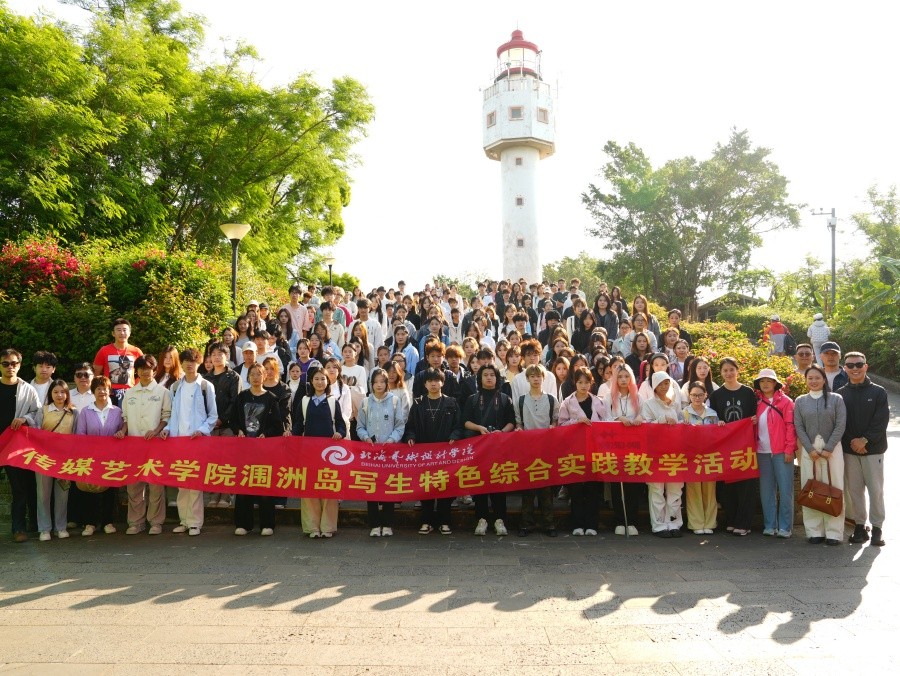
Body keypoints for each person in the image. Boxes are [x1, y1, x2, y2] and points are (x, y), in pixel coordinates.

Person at [159, 348, 218, 536]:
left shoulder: (206, 386)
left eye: (193, 361)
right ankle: (184, 521)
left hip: (197, 441)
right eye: (185, 361)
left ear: (198, 363)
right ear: (181, 364)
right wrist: (167, 429)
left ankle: (195, 523)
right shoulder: (175, 387)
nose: (189, 364)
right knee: (181, 483)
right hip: (178, 442)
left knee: (195, 483)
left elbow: (213, 416)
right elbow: (173, 415)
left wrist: (201, 430)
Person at [838, 352, 889, 547]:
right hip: (850, 450)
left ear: (866, 366)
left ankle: (877, 528)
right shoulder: (840, 394)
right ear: (845, 369)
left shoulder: (879, 392)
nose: (855, 368)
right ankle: (860, 526)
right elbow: (840, 422)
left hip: (873, 450)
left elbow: (881, 421)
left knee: (876, 490)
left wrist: (865, 440)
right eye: (850, 365)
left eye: (859, 364)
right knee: (855, 490)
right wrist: (854, 442)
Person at [115, 355, 171, 535]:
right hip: (134, 445)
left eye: (149, 368)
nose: (145, 372)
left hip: (155, 445)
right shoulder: (129, 393)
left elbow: (167, 416)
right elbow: (125, 418)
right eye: (141, 368)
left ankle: (156, 522)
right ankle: (136, 522)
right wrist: (123, 431)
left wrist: (156, 430)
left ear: (154, 370)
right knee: (134, 485)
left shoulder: (163, 392)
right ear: (136, 371)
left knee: (155, 485)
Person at [404, 368, 462, 535]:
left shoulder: (451, 402)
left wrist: (454, 435)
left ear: (442, 382)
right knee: (426, 487)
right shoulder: (418, 403)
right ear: (425, 384)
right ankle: (426, 521)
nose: (433, 384)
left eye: (437, 380)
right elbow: (410, 426)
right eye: (430, 381)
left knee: (445, 486)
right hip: (425, 454)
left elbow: (458, 425)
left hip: (445, 454)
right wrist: (411, 436)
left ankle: (445, 521)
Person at [232, 363, 287, 537]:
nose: (256, 377)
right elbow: (233, 419)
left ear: (265, 376)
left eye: (259, 374)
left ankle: (267, 524)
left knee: (264, 486)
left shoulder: (271, 398)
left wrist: (266, 433)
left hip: (264, 450)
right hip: (244, 449)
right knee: (243, 486)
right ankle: (243, 524)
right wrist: (238, 430)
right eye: (253, 374)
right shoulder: (241, 397)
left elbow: (278, 425)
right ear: (248, 377)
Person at [794, 365, 847, 545]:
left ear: (824, 379)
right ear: (806, 380)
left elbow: (840, 424)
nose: (814, 381)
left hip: (832, 449)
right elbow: (799, 426)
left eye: (817, 377)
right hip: (809, 450)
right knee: (810, 487)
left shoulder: (836, 399)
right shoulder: (800, 401)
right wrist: (809, 449)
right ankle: (814, 531)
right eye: (810, 378)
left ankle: (834, 532)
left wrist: (829, 448)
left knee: (834, 487)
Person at [293, 365, 347, 538]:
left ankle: (328, 527)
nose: (319, 382)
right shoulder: (304, 401)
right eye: (316, 379)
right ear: (311, 381)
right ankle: (312, 527)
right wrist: (291, 436)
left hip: (329, 454)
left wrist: (340, 433)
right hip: (308, 452)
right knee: (309, 488)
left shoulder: (332, 401)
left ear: (328, 381)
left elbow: (341, 425)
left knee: (328, 487)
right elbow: (298, 425)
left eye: (323, 379)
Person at [462, 364, 516, 536]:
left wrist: (502, 432)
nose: (489, 377)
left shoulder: (505, 398)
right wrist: (479, 428)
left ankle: (500, 519)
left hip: (499, 447)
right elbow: (465, 421)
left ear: (497, 378)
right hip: (479, 448)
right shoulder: (472, 399)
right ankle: (482, 519)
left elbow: (512, 421)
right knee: (480, 483)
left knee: (498, 482)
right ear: (480, 378)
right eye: (485, 375)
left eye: (492, 374)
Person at [710, 357, 758, 536]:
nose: (729, 373)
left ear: (738, 371)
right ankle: (731, 520)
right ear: (720, 373)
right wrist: (719, 423)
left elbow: (755, 413)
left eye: (732, 369)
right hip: (725, 447)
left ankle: (744, 523)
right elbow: (713, 418)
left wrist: (753, 420)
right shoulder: (716, 395)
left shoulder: (748, 392)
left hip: (745, 445)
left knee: (746, 483)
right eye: (725, 370)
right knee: (727, 484)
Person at [357, 368, 407, 537]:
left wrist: (392, 439)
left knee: (388, 486)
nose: (379, 385)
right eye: (376, 382)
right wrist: (365, 438)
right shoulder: (365, 402)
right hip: (371, 453)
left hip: (389, 452)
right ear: (371, 384)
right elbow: (360, 427)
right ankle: (374, 524)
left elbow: (400, 425)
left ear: (387, 383)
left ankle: (387, 524)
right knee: (371, 487)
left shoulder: (394, 401)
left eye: (382, 382)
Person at [558, 367, 607, 536]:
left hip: (594, 450)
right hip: (574, 450)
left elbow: (605, 422)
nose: (583, 385)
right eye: (580, 382)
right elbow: (561, 425)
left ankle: (592, 524)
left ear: (591, 383)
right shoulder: (567, 402)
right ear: (575, 383)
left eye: (587, 382)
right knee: (576, 489)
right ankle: (577, 524)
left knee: (593, 489)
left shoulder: (598, 401)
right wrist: (576, 421)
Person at [74, 376, 124, 536]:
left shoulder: (117, 411)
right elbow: (80, 434)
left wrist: (120, 433)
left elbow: (123, 431)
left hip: (111, 458)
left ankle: (108, 522)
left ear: (110, 391)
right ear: (93, 391)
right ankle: (90, 523)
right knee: (90, 490)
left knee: (109, 491)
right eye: (98, 389)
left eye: (105, 388)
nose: (102, 391)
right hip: (91, 457)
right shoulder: (85, 412)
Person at [514, 364, 559, 537]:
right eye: (532, 376)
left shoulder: (551, 399)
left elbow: (556, 419)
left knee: (546, 489)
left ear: (543, 378)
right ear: (527, 379)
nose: (536, 379)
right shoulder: (521, 400)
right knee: (528, 489)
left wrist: (553, 426)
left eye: (538, 376)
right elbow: (519, 422)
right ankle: (526, 524)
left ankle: (549, 524)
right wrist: (519, 429)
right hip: (527, 449)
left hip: (546, 449)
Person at [1, 348, 40, 542]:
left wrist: (24, 418)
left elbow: (37, 413)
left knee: (20, 487)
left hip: (15, 446)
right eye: (6, 363)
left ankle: (19, 528)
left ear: (19, 365)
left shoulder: (27, 389)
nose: (10, 367)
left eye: (14, 363)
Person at [640, 371, 684, 538]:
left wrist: (680, 423)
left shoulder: (675, 404)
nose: (664, 386)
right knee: (656, 489)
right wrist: (661, 421)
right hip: (655, 453)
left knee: (675, 489)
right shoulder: (648, 404)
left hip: (674, 453)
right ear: (654, 386)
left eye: (667, 383)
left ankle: (674, 523)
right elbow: (645, 426)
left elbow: (682, 422)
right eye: (660, 383)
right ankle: (658, 525)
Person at [754, 368, 796, 537]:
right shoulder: (757, 403)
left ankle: (785, 527)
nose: (765, 384)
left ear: (775, 383)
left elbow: (791, 427)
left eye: (769, 381)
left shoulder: (786, 402)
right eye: (762, 381)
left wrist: (789, 449)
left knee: (785, 490)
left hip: (781, 451)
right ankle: (770, 525)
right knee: (766, 491)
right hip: (762, 452)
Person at [34, 379, 76, 541]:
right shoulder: (43, 410)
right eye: (56, 392)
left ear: (67, 394)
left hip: (65, 460)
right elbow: (36, 433)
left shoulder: (74, 412)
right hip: (44, 458)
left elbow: (77, 436)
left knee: (63, 494)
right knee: (43, 494)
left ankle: (61, 527)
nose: (59, 395)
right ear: (50, 394)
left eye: (63, 392)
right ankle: (44, 529)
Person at [603, 364, 642, 536]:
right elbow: (604, 418)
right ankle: (619, 520)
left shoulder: (638, 397)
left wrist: (640, 417)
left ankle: (632, 520)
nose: (623, 380)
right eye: (620, 377)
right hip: (615, 446)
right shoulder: (609, 397)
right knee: (616, 484)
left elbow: (644, 415)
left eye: (627, 376)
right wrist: (618, 418)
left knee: (633, 483)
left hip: (634, 447)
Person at [682, 381, 719, 535]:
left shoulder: (712, 413)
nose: (697, 398)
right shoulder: (684, 413)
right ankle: (696, 523)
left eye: (700, 395)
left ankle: (710, 523)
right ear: (689, 396)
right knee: (693, 490)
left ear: (705, 395)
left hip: (710, 456)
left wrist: (721, 425)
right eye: (694, 395)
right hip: (691, 457)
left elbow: (718, 435)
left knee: (710, 490)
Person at [93, 318, 143, 407]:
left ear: (129, 333)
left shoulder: (136, 351)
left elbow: (142, 372)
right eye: (118, 330)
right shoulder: (104, 350)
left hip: (131, 393)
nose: (122, 333)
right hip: (109, 393)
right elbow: (96, 373)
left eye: (125, 330)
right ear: (113, 333)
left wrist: (136, 387)